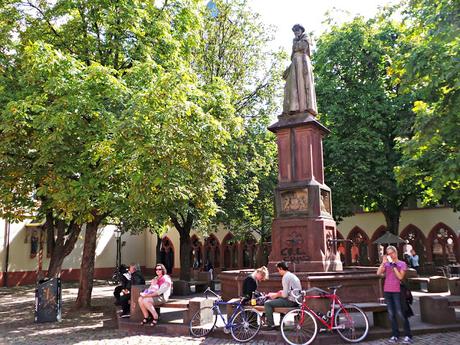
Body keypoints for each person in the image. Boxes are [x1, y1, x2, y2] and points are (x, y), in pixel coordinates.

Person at [377, 246, 413, 344]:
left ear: (395, 253)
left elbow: (400, 277)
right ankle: (395, 335)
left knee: (400, 313)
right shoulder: (387, 264)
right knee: (391, 314)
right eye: (388, 254)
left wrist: (393, 266)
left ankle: (408, 335)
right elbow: (378, 273)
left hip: (397, 291)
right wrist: (383, 263)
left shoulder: (402, 264)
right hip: (387, 290)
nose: (390, 255)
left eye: (391, 253)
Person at [283, 24, 317, 116]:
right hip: (295, 62)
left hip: (303, 61)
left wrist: (297, 43)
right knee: (293, 84)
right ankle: (294, 107)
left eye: (297, 30)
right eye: (294, 31)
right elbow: (294, 50)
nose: (295, 32)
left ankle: (304, 107)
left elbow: (301, 47)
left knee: (303, 82)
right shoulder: (295, 40)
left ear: (301, 30)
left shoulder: (306, 37)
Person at [263, 261, 301, 330]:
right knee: (279, 300)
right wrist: (278, 294)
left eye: (278, 270)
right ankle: (281, 324)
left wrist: (276, 295)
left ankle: (270, 325)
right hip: (297, 300)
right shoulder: (292, 275)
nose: (278, 272)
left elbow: (285, 295)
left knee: (267, 303)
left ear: (281, 268)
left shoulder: (285, 277)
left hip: (291, 301)